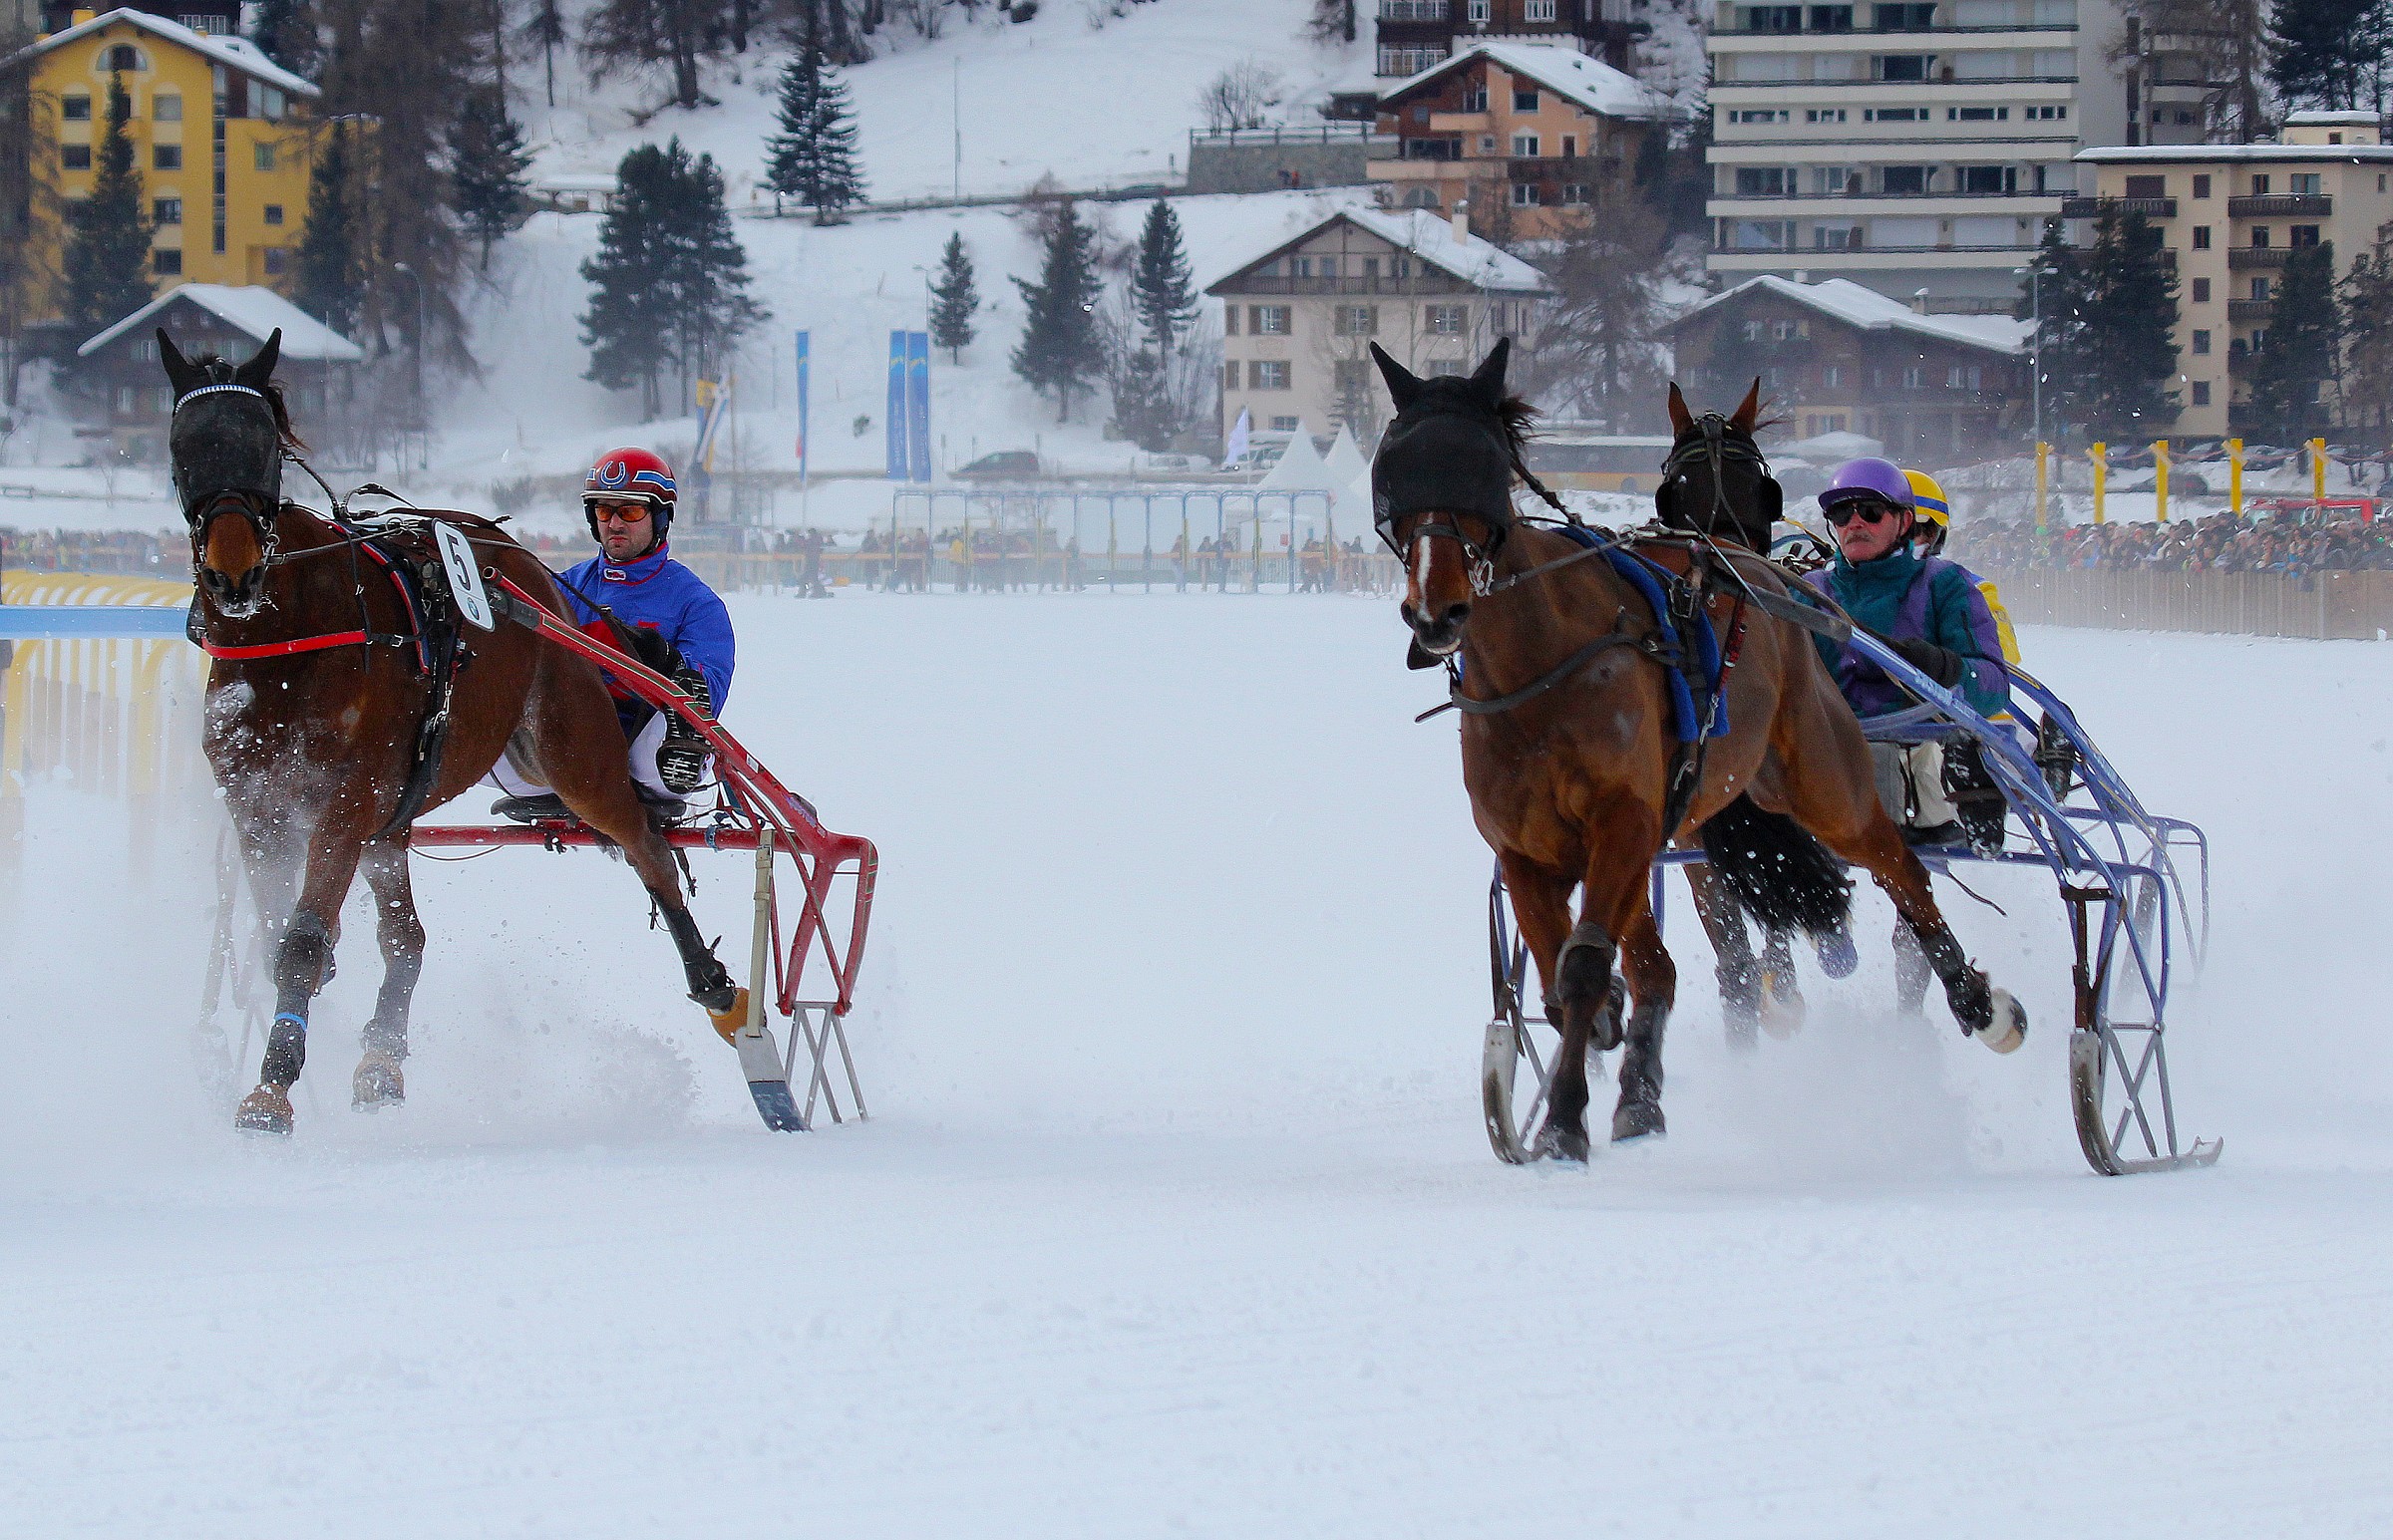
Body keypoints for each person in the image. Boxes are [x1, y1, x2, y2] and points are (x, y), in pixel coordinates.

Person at [492, 447, 735, 823]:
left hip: (649, 753)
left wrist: (665, 662)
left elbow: (710, 685)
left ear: (660, 517)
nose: (615, 523)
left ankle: (639, 779)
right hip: (569, 742)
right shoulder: (566, 587)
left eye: (631, 511)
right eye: (605, 511)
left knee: (683, 702)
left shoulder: (696, 602)